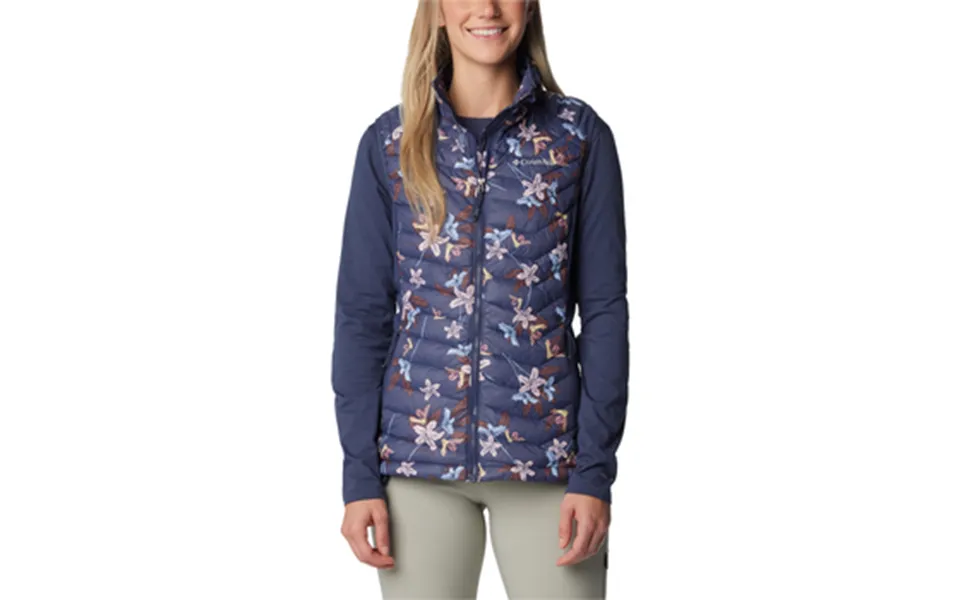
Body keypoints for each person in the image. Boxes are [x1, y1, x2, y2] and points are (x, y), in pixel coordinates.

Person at [332, 1, 629, 597]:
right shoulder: (390, 143)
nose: (487, 8)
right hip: (417, 465)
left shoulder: (577, 137)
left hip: (550, 467)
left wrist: (595, 473)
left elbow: (603, 312)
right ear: (439, 11)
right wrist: (359, 476)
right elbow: (363, 316)